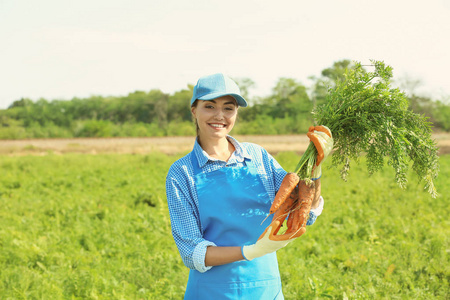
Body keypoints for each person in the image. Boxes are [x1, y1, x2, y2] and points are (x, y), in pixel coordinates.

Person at [165, 73, 333, 299]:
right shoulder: (182, 172)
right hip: (212, 291)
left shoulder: (257, 156)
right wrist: (251, 251)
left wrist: (316, 168)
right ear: (194, 110)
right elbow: (191, 252)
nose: (219, 116)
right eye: (209, 106)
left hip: (266, 288)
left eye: (228, 108)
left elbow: (303, 211)